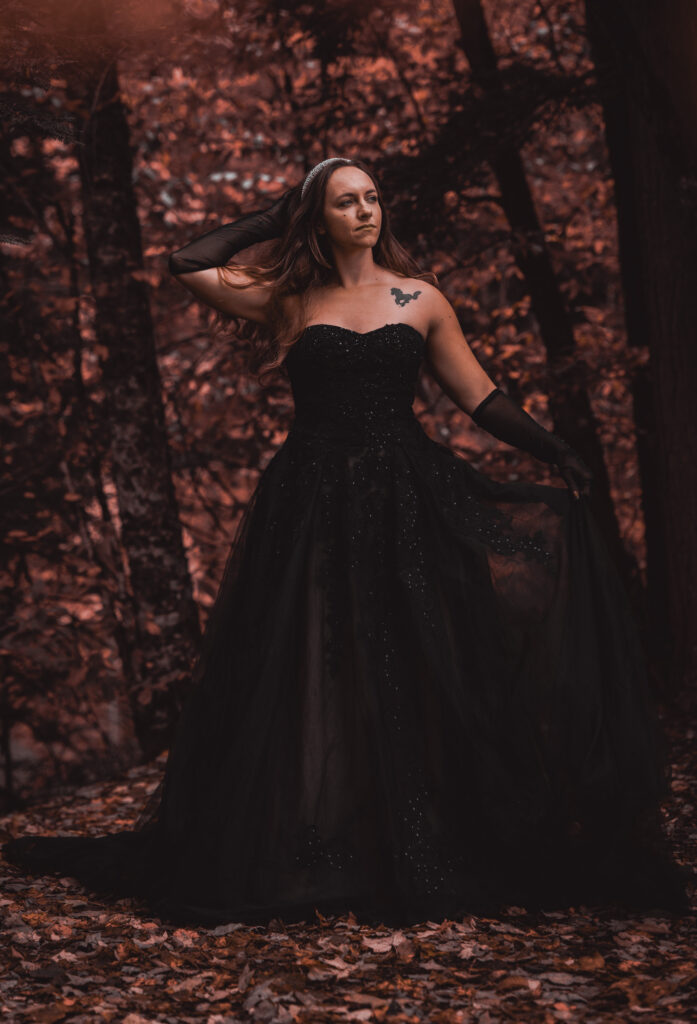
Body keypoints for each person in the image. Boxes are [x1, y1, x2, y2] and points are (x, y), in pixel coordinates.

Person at [3, 156, 691, 927]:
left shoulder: (419, 297)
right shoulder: (290, 299)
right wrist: (276, 214)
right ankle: (324, 843)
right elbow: (187, 261)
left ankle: (424, 839)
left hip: (405, 498)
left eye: (370, 198)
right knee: (315, 662)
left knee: (410, 659)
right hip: (307, 504)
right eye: (344, 201)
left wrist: (553, 451)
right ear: (319, 218)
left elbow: (479, 397)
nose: (364, 211)